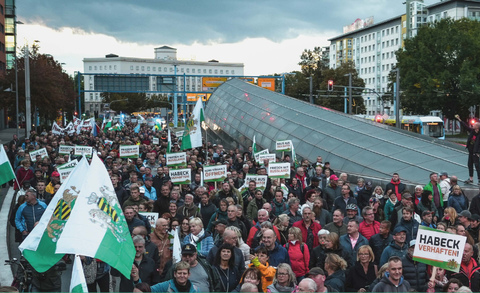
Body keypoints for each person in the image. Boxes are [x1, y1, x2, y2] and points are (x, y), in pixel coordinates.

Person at [455, 114, 480, 184]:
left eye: (475, 125)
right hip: (471, 152)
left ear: (477, 127)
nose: (473, 125)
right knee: (470, 165)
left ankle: (479, 180)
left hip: (476, 153)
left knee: (477, 166)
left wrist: (478, 152)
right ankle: (471, 178)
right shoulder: (472, 131)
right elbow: (465, 126)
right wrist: (459, 120)